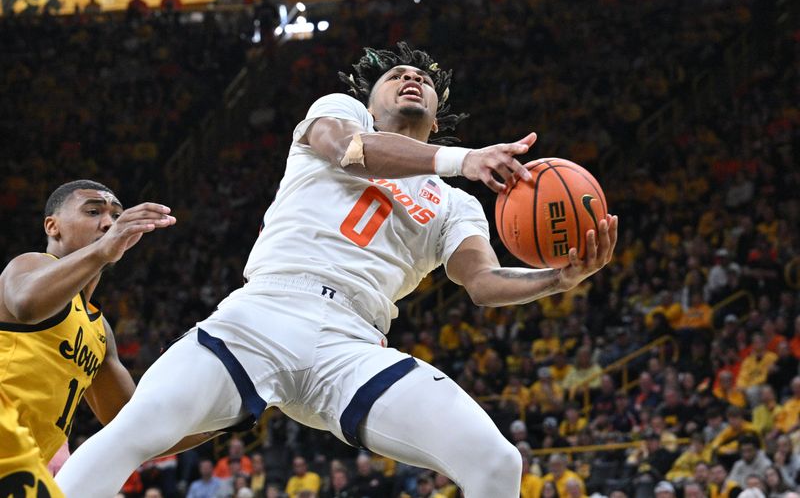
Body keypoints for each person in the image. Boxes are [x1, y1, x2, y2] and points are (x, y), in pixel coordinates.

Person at [56, 42, 617, 498]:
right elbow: (347, 149)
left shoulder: (456, 202)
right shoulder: (340, 114)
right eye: (396, 73)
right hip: (263, 313)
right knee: (132, 431)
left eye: (422, 77)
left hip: (353, 345)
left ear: (438, 112)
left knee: (497, 464)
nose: (410, 78)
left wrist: (555, 280)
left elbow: (482, 284)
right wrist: (463, 159)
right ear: (369, 99)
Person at [0, 180, 210, 471]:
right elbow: (27, 305)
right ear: (52, 226)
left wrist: (231, 418)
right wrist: (102, 251)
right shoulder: (29, 265)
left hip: (23, 470)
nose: (109, 223)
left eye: (115, 215)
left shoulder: (100, 330)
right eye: (93, 212)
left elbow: (134, 426)